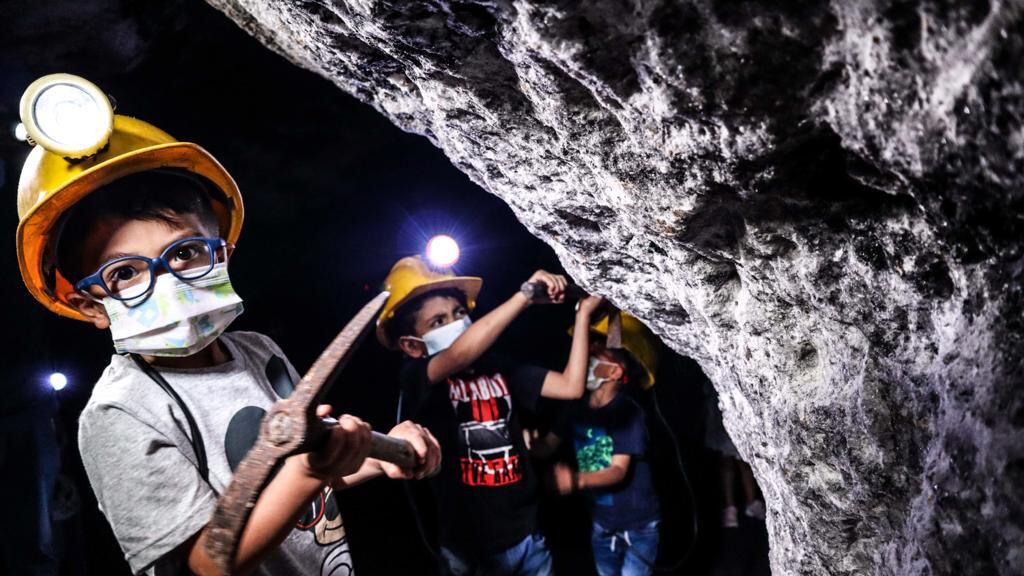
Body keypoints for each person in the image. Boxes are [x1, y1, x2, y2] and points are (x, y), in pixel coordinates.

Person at [13, 75, 441, 576]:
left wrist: (373, 456)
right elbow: (204, 566)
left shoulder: (260, 352)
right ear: (89, 305)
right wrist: (306, 470)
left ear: (223, 255)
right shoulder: (120, 414)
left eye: (187, 253)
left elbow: (297, 490)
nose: (167, 282)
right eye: (124, 272)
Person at [376, 256, 603, 575]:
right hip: (470, 548)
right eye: (438, 322)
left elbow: (571, 386)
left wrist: (583, 317)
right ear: (412, 346)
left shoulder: (497, 368)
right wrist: (524, 296)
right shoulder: (417, 378)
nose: (456, 322)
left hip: (527, 533)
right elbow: (458, 354)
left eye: (459, 313)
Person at [534, 312, 662, 576]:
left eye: (599, 347)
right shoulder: (575, 408)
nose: (589, 349)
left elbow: (618, 470)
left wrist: (576, 480)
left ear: (616, 371)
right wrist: (528, 443)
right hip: (602, 522)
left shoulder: (628, 412)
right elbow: (548, 445)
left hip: (638, 526)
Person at [703, 381, 765, 528]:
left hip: (735, 409)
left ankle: (749, 503)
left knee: (742, 460)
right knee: (730, 460)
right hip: (722, 410)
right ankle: (732, 508)